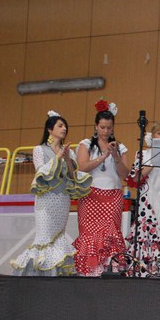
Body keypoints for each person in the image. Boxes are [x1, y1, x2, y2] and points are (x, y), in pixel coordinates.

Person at [11, 111, 92, 276]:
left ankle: (55, 274)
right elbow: (40, 171)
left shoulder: (69, 152)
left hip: (62, 199)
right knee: (44, 236)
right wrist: (58, 156)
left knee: (58, 237)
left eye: (65, 126)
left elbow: (73, 176)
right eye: (60, 126)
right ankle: (37, 274)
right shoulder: (39, 149)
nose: (64, 129)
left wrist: (67, 158)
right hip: (46, 199)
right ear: (50, 129)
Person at [73, 100, 130, 276]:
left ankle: (109, 270)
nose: (105, 131)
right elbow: (82, 167)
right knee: (89, 234)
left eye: (109, 128)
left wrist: (116, 156)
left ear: (113, 128)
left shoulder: (120, 147)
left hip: (113, 195)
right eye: (102, 127)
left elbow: (125, 174)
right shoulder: (85, 144)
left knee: (111, 233)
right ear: (96, 126)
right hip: (90, 194)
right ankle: (89, 271)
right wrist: (103, 157)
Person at [125, 121, 160, 276]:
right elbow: (135, 179)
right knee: (147, 233)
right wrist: (154, 161)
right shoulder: (143, 154)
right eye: (159, 133)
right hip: (147, 203)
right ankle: (143, 270)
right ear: (153, 136)